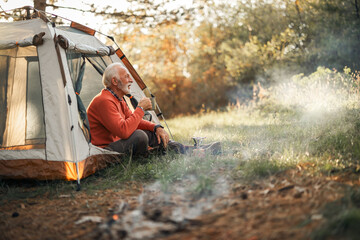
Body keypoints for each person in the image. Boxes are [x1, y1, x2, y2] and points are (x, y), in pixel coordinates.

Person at [87, 62, 185, 157]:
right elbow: (124, 131)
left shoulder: (119, 99)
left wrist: (156, 127)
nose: (131, 80)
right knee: (139, 136)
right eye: (126, 76)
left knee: (150, 132)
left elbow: (135, 122)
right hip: (105, 150)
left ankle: (181, 150)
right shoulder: (104, 101)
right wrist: (140, 108)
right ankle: (148, 158)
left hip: (117, 143)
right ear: (115, 81)